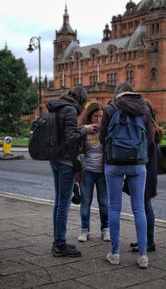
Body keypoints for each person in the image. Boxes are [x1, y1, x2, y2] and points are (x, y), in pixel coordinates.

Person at [99, 82, 153, 269]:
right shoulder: (144, 108)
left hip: (113, 163)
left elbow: (102, 137)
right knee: (139, 208)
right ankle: (143, 255)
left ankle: (114, 254)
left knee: (114, 208)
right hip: (137, 164)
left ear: (118, 94)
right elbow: (151, 139)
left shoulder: (110, 109)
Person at [47, 86, 98, 258]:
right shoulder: (69, 110)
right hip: (65, 161)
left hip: (55, 158)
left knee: (59, 200)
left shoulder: (59, 106)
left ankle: (57, 241)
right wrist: (85, 129)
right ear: (81, 100)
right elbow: (70, 138)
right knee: (63, 203)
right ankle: (60, 244)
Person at [130, 99, 163, 252]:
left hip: (146, 172)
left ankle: (148, 241)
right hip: (149, 171)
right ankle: (144, 239)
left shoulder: (148, 130)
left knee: (144, 206)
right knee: (144, 206)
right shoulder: (152, 128)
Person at [78, 102, 110, 242]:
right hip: (87, 171)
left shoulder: (106, 129)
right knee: (85, 201)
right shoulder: (83, 129)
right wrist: (84, 131)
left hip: (102, 172)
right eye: (96, 116)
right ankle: (85, 230)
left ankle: (106, 229)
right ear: (89, 116)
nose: (98, 119)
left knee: (104, 201)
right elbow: (75, 148)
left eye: (101, 116)